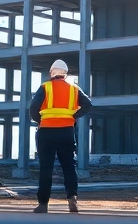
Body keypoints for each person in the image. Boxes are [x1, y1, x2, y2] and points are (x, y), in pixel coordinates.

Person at [27, 59, 94, 213]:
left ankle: (43, 204)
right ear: (65, 74)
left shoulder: (45, 87)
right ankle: (72, 200)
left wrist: (41, 120)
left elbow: (33, 109)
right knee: (69, 167)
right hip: (66, 132)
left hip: (46, 133)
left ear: (51, 73)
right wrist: (73, 117)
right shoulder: (74, 89)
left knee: (46, 168)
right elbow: (88, 104)